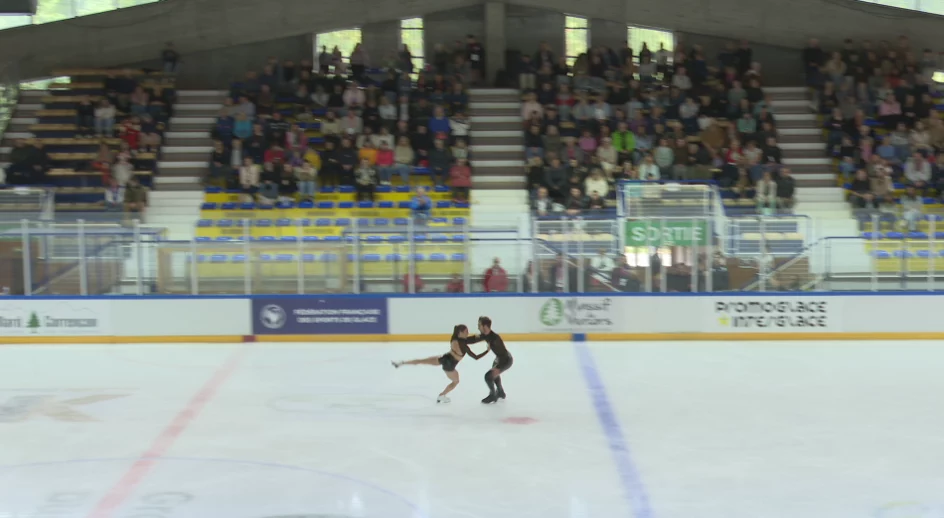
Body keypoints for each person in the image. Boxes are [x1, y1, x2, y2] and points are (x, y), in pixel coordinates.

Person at [391, 325, 487, 404]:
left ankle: (402, 363)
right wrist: (487, 350)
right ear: (460, 332)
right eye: (466, 331)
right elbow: (475, 356)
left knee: (421, 361)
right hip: (449, 366)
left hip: (443, 358)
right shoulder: (464, 345)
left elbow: (472, 339)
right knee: (456, 381)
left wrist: (482, 336)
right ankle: (442, 395)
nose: (468, 333)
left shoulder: (454, 338)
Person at [465, 316, 512, 404]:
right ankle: (500, 392)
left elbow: (501, 351)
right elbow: (474, 339)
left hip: (505, 361)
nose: (478, 327)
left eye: (479, 325)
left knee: (488, 376)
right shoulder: (487, 335)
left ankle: (493, 395)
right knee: (494, 374)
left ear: (485, 326)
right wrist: (462, 340)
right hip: (499, 359)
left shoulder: (494, 338)